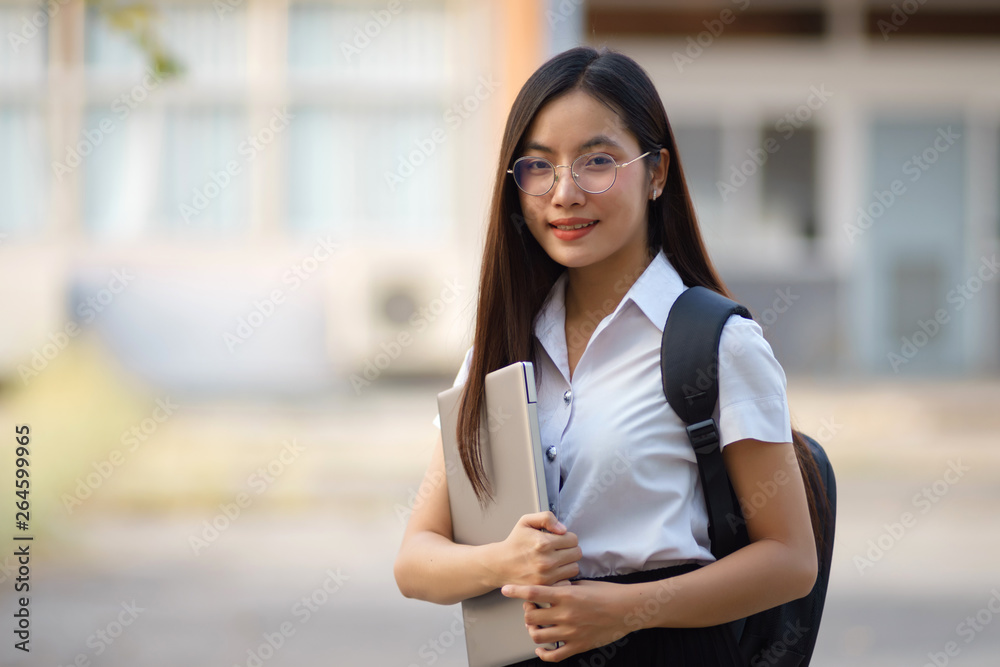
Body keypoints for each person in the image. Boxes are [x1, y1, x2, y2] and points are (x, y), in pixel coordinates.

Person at [393, 45, 819, 666]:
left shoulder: (717, 343)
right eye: (538, 166)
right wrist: (504, 561)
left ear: (657, 173)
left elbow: (791, 560)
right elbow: (415, 561)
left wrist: (625, 611)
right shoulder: (497, 352)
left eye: (597, 161)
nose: (564, 193)